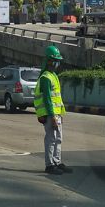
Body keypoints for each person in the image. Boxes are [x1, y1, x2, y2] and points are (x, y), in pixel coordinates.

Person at [34, 45, 71, 175]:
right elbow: (48, 99)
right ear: (49, 61)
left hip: (56, 114)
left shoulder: (53, 75)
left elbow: (57, 98)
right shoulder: (45, 78)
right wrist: (53, 117)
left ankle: (57, 161)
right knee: (51, 139)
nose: (57, 63)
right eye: (55, 60)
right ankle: (50, 165)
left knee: (58, 138)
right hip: (50, 115)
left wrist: (60, 115)